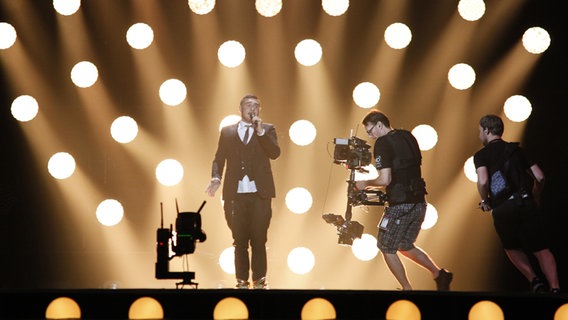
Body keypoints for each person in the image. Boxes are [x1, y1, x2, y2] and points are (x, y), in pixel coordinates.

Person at [355, 110, 453, 291]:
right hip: (419, 203)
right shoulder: (408, 136)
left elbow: (385, 180)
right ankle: (439, 274)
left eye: (370, 131)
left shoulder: (382, 143)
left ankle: (407, 289)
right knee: (404, 245)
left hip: (401, 205)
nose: (370, 136)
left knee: (385, 247)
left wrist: (366, 183)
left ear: (379, 124)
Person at [473, 114, 560, 293]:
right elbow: (540, 176)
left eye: (480, 131)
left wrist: (485, 200)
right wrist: (535, 194)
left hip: (502, 207)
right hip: (525, 202)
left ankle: (534, 280)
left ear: (487, 130)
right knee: (541, 247)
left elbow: (483, 181)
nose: (479, 135)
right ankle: (555, 288)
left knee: (511, 246)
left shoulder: (481, 155)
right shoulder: (517, 150)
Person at [205, 94, 280, 289]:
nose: (252, 108)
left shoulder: (268, 129)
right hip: (235, 193)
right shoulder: (227, 131)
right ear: (240, 108)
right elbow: (219, 158)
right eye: (248, 105)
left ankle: (260, 280)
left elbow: (275, 153)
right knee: (239, 239)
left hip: (259, 193)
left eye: (256, 105)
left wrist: (261, 132)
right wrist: (216, 178)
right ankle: (241, 281)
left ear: (260, 110)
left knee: (258, 238)